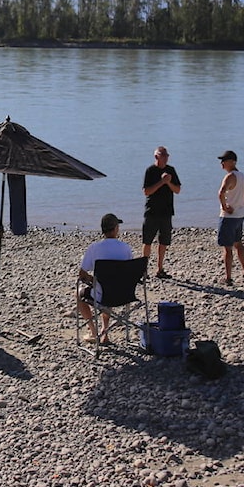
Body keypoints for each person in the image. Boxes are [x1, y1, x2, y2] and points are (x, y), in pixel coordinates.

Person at [77, 213, 133, 344]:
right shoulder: (125, 248)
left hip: (103, 295)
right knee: (110, 286)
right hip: (124, 294)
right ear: (115, 229)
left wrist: (93, 280)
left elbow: (82, 274)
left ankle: (94, 332)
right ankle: (105, 332)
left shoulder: (94, 248)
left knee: (80, 293)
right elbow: (130, 272)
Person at [142, 146, 181, 279]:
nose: (165, 158)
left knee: (163, 241)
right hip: (152, 211)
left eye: (166, 155)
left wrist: (168, 183)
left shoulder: (171, 170)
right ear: (156, 157)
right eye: (162, 155)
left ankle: (160, 269)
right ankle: (144, 270)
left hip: (166, 211)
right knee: (147, 241)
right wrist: (161, 182)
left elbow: (177, 190)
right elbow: (147, 191)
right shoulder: (150, 171)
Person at [217, 150, 244, 286]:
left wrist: (225, 207)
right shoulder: (242, 176)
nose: (222, 163)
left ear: (232, 162)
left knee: (227, 248)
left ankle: (228, 278)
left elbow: (220, 193)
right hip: (239, 216)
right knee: (238, 244)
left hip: (228, 217)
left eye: (224, 161)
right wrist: (241, 207)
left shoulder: (230, 176)